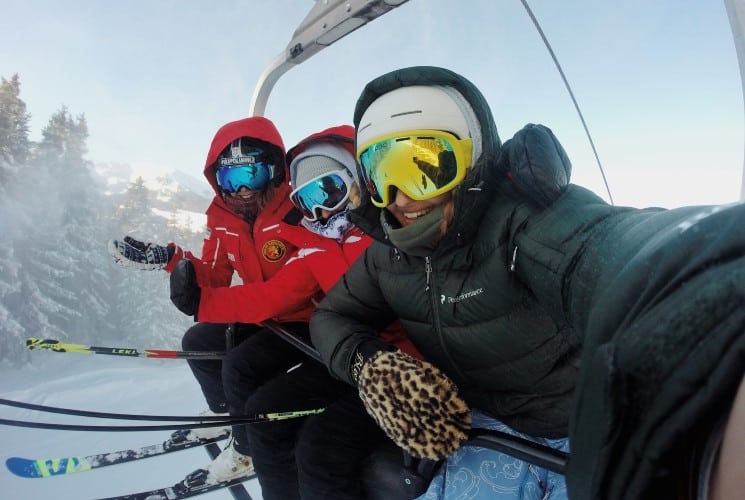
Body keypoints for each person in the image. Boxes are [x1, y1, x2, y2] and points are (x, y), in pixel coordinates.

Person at [309, 65, 745, 500]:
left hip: (583, 427)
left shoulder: (523, 223)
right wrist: (372, 368)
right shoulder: (389, 254)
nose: (402, 198)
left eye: (424, 168)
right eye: (383, 175)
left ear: (473, 159)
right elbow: (333, 316)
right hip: (488, 430)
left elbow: (615, 251)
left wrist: (715, 277)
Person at [107, 115, 324, 483]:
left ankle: (246, 451)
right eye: (229, 179)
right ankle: (225, 414)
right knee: (198, 342)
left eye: (249, 175)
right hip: (264, 314)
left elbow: (288, 291)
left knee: (239, 367)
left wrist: (211, 303)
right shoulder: (225, 217)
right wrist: (172, 261)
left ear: (271, 169)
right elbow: (214, 275)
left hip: (308, 320)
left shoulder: (296, 209)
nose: (240, 190)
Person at [241, 125, 423, 500]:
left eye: (329, 190)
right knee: (264, 411)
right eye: (308, 201)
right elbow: (270, 296)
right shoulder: (316, 246)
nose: (321, 210)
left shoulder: (392, 228)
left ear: (357, 182)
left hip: (405, 364)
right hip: (351, 355)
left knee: (320, 446)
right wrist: (201, 300)